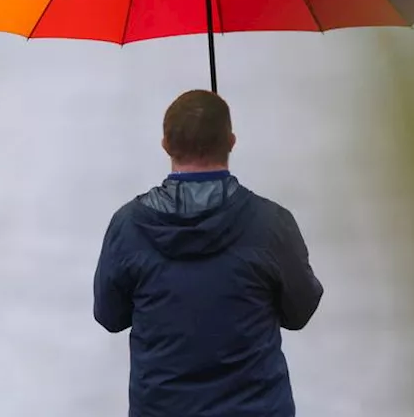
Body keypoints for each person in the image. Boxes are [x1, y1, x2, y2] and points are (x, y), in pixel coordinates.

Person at [93, 90, 323, 417]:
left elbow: (110, 316)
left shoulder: (128, 226)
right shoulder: (271, 225)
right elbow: (300, 311)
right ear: (231, 141)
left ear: (165, 145)